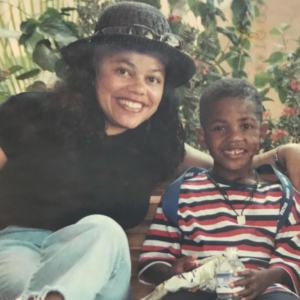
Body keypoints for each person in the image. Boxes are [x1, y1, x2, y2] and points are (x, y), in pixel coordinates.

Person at [0, 2, 299, 300]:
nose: (139, 89)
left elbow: (225, 157)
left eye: (153, 78)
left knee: (102, 229)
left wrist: (281, 154)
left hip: (104, 270)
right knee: (22, 282)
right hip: (23, 250)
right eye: (123, 70)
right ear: (92, 70)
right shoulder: (32, 112)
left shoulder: (157, 144)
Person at [138, 78, 300, 300]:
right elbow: (154, 258)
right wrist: (172, 271)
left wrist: (267, 277)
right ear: (203, 138)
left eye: (246, 126)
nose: (234, 137)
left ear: (262, 133)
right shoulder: (182, 194)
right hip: (200, 290)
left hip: (261, 291)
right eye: (220, 128)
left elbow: (293, 259)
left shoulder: (283, 198)